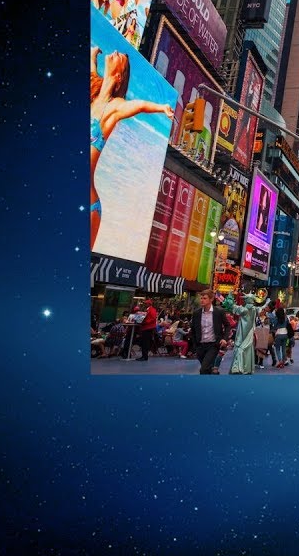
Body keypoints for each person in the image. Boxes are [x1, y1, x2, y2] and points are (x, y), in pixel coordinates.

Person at [90, 46, 174, 247]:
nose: (118, 53)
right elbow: (91, 71)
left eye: (123, 59)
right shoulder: (93, 93)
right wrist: (93, 54)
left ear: (119, 76)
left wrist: (161, 107)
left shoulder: (115, 106)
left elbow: (139, 105)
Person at [189, 291, 228, 374]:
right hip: (200, 346)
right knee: (207, 369)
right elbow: (193, 329)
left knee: (203, 369)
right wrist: (195, 345)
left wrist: (224, 339)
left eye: (205, 298)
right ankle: (214, 377)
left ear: (211, 299)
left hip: (213, 345)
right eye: (201, 298)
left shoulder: (219, 312)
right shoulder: (196, 313)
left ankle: (204, 384)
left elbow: (228, 326)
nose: (202, 300)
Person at [229, 293, 261, 375]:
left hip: (243, 332)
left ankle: (238, 367)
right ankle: (247, 367)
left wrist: (230, 298)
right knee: (247, 349)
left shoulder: (244, 310)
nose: (245, 300)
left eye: (246, 299)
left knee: (240, 348)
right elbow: (261, 308)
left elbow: (233, 306)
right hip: (249, 332)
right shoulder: (254, 309)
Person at [270, 300, 289, 368]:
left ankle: (280, 361)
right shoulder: (285, 318)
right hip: (285, 333)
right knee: (283, 348)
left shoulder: (276, 318)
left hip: (278, 334)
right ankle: (284, 361)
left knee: (277, 348)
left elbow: (274, 326)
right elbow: (287, 324)